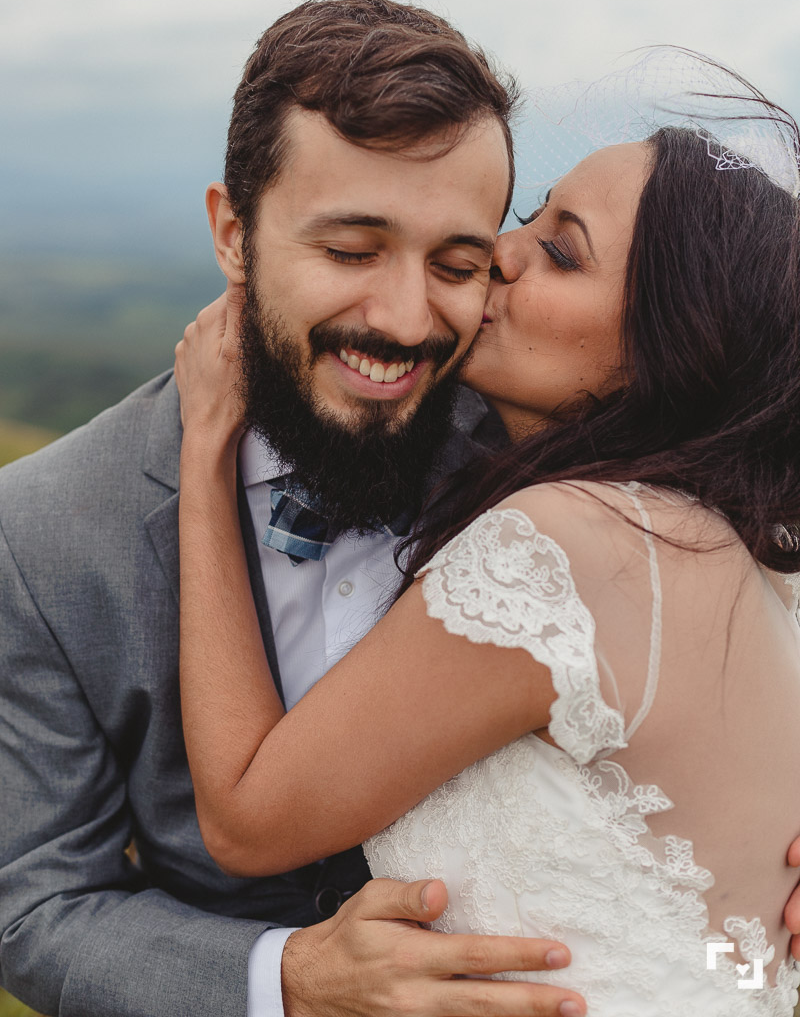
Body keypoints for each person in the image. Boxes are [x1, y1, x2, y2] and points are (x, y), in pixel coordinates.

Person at [0, 0, 586, 1017]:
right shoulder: (42, 530)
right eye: (352, 251)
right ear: (234, 234)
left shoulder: (555, 464)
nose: (404, 319)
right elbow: (37, 907)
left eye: (455, 263)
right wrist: (287, 982)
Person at [173, 98, 800, 1014]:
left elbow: (245, 817)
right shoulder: (736, 545)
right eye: (534, 214)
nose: (499, 250)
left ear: (670, 347)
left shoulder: (561, 549)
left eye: (562, 249)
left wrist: (205, 451)